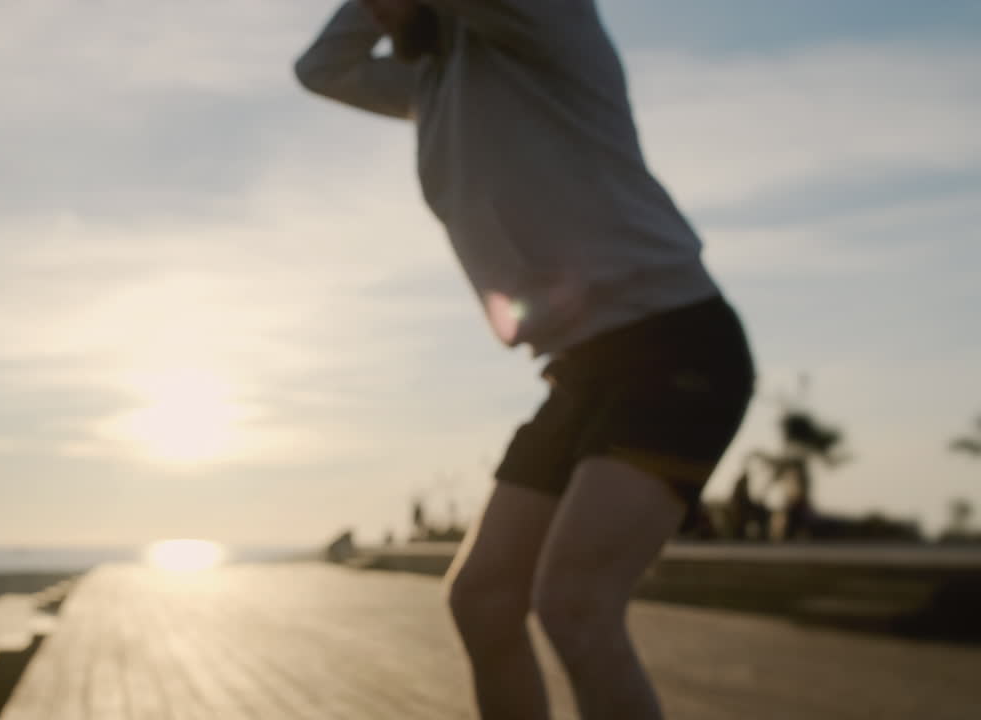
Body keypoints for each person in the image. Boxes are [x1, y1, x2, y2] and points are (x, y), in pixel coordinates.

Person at [294, 2, 755, 719]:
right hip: (580, 368)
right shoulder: (430, 84)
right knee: (482, 599)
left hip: (673, 344)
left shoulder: (541, 22)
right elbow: (321, 68)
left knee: (576, 606)